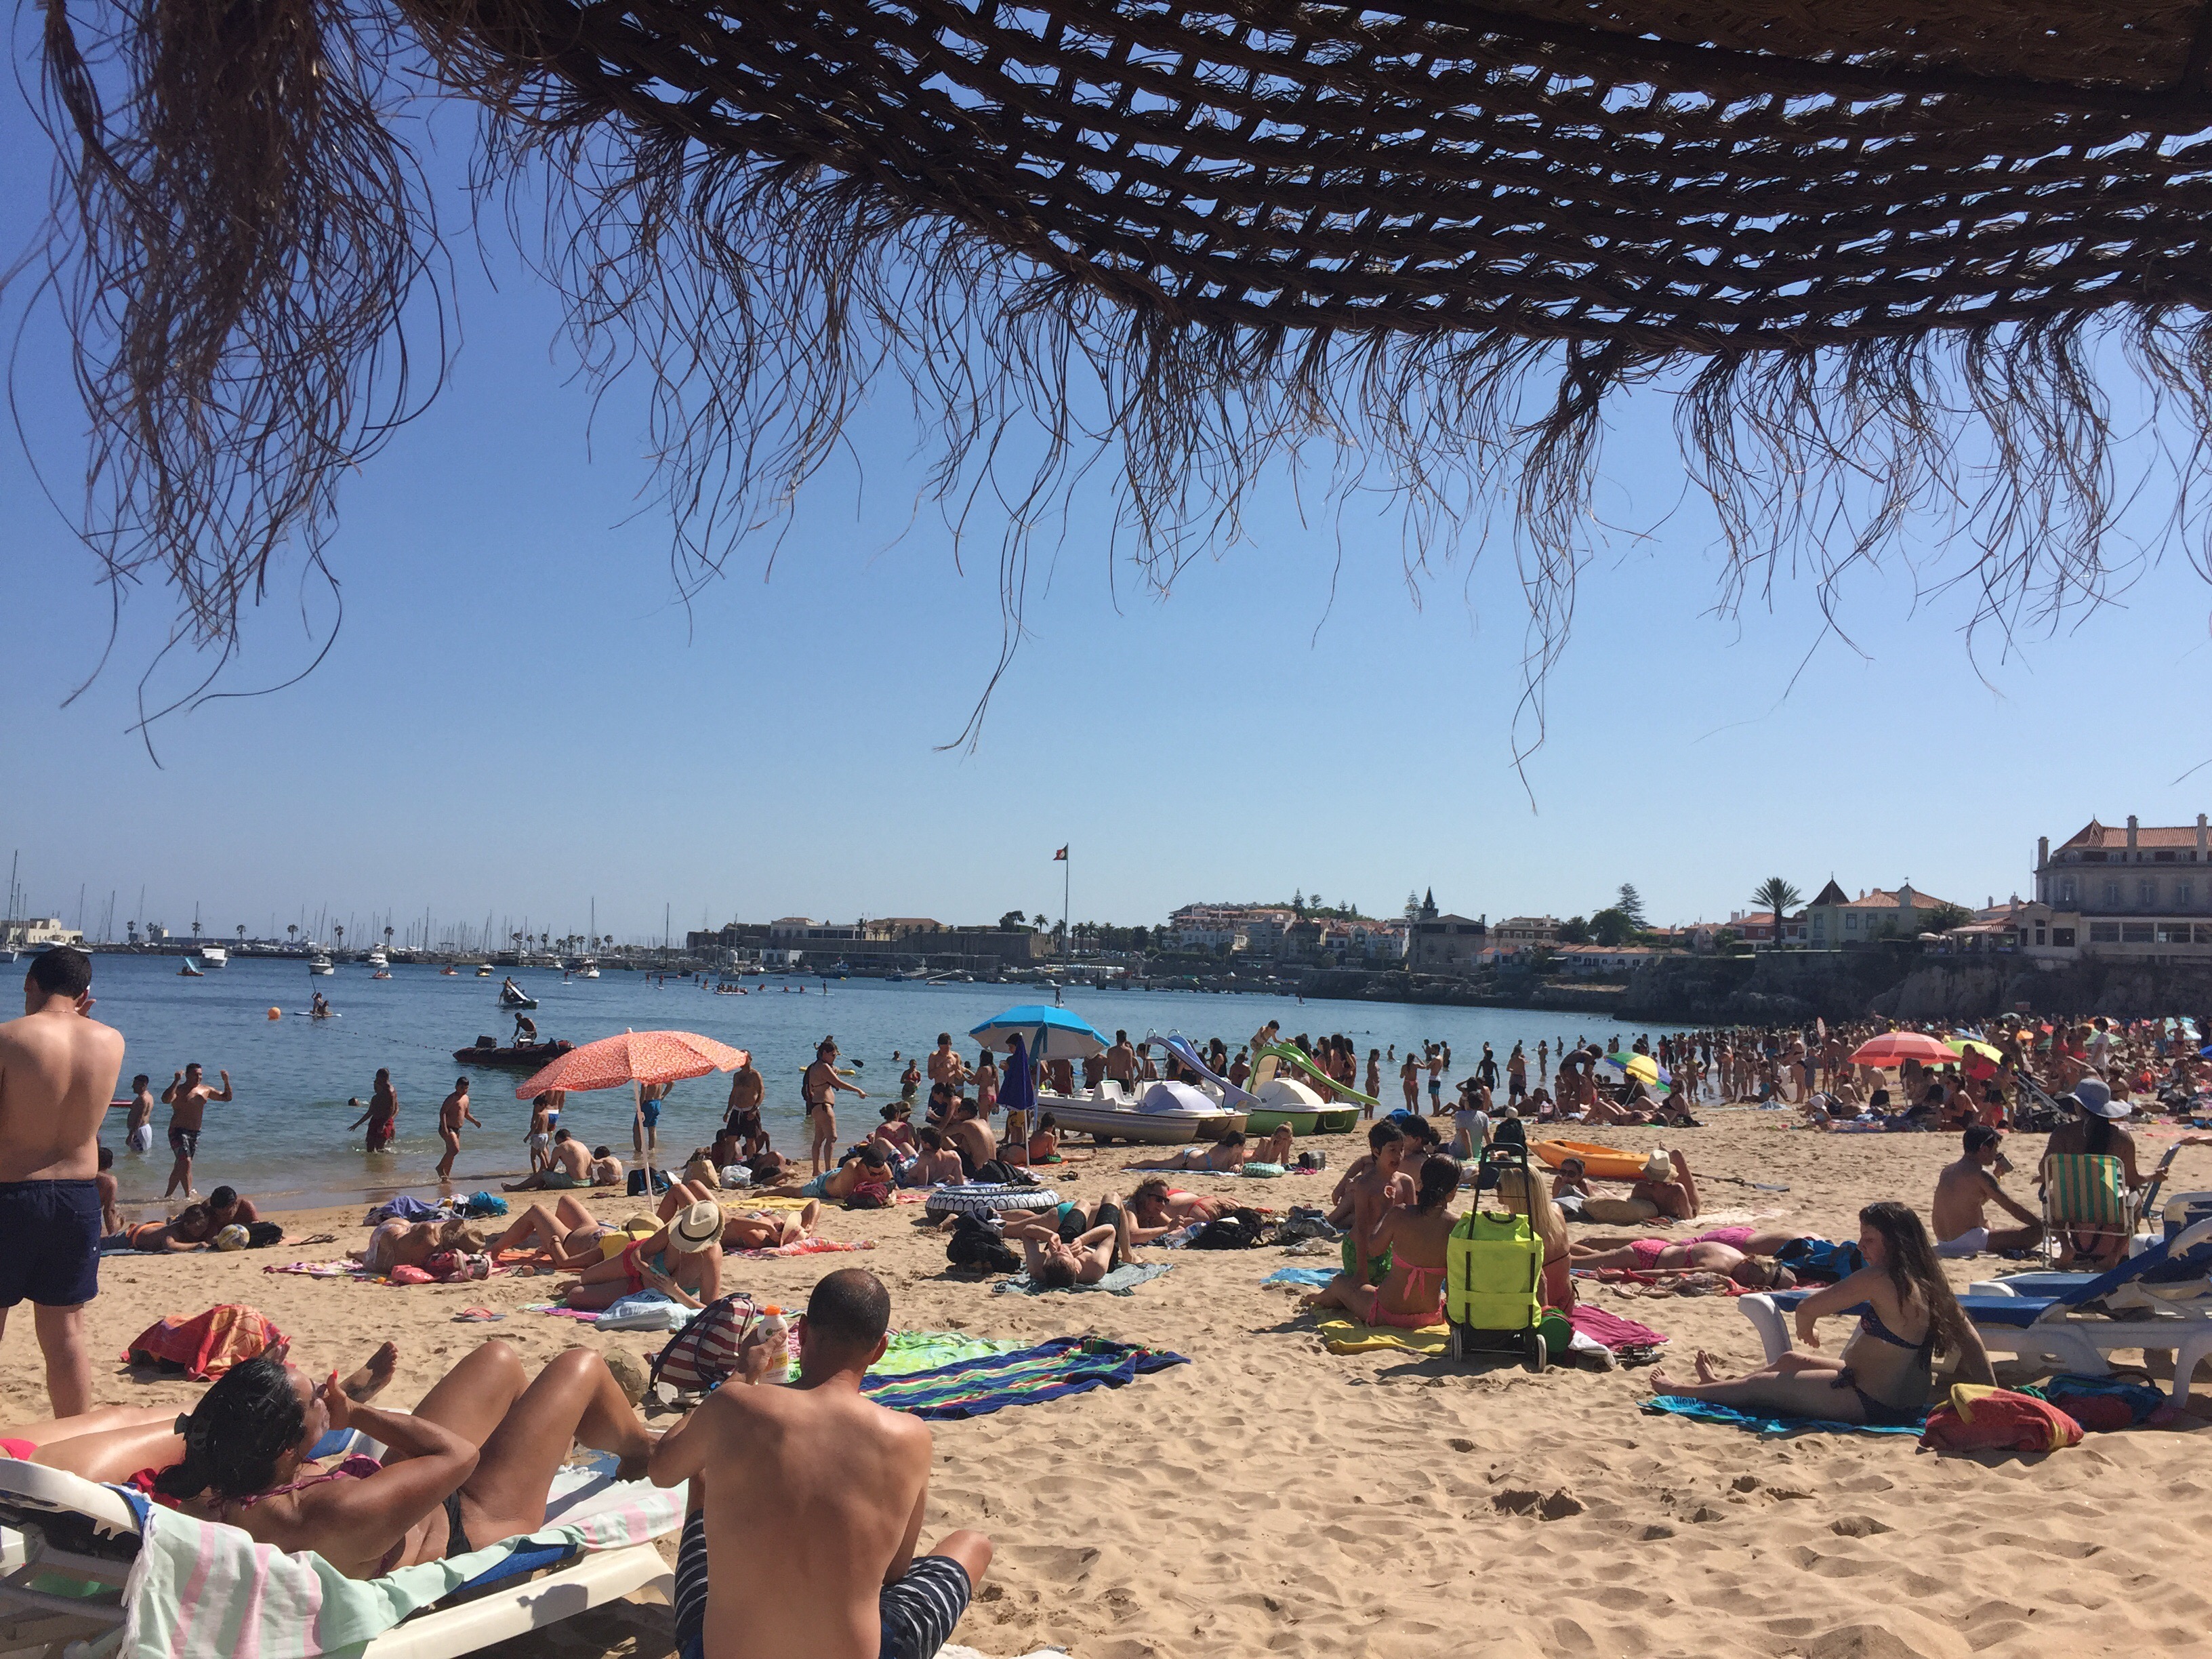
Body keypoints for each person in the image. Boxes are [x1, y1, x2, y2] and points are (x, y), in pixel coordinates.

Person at [649, 1269, 991, 1659]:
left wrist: (741, 1375)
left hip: (718, 1652)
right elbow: (895, 1572)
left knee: (701, 1475)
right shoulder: (910, 1436)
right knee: (973, 1544)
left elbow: (662, 1470)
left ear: (803, 1331)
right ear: (880, 1348)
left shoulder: (734, 1403)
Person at [149, 1338, 653, 1577]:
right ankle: (643, 1451)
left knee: (497, 1359)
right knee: (580, 1365)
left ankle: (544, 1444)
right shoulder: (330, 1509)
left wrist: (272, 1396)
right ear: (285, 1445)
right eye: (315, 1399)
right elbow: (460, 1457)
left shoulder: (216, 1484)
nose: (325, 1397)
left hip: (397, 1499)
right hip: (471, 1521)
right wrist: (355, 1415)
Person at [1650, 1202, 1991, 1425]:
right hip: (1902, 1398)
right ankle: (1719, 1386)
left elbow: (1807, 1307)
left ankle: (1682, 1390)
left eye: (1869, 1239)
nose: (1860, 1246)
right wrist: (1992, 1392)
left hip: (1869, 1401)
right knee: (1789, 1360)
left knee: (1762, 1386)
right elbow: (1971, 1340)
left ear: (1895, 1242)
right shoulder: (1931, 1283)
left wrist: (1807, 1325)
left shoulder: (1878, 1278)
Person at [0, 949, 123, 1416]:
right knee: (66, 1334)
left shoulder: (8, 1037)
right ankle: (76, 1437)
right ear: (85, 994)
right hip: (77, 1198)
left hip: (11, 1194)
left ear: (28, 982)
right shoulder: (110, 1041)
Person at [1306, 1155, 1460, 1327]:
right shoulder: (1457, 1226)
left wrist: (1386, 1211)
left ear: (1421, 1183)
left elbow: (1374, 1249)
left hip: (1386, 1313)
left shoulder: (1399, 1214)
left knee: (1339, 1283)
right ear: (1453, 1191)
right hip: (1430, 1315)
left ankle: (1315, 1299)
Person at [2039, 1079, 2142, 1268]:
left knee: (2050, 1195)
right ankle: (2114, 1255)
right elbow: (2132, 1180)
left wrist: (2045, 1179)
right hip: (2108, 1210)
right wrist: (2153, 1176)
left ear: (2079, 1105)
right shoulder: (2121, 1138)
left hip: (2067, 1208)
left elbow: (2045, 1170)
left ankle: (2066, 1247)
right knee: (2136, 1200)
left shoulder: (2063, 1134)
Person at [562, 1200, 725, 1310]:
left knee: (575, 1297)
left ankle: (596, 1283)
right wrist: (648, 1272)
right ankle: (590, 1281)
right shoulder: (680, 1226)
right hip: (637, 1263)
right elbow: (639, 1254)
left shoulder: (711, 1257)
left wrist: (675, 1292)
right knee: (586, 1277)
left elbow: (708, 1310)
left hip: (644, 1290)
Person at [1932, 1126, 2043, 1257]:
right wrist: (2040, 1225)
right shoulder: (1980, 1174)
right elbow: (2011, 1207)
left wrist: (1997, 1177)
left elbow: (1973, 1202)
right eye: (1995, 1149)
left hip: (1943, 1241)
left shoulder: (1948, 1170)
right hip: (1967, 1241)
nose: (1996, 1154)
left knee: (1986, 1222)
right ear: (1984, 1149)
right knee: (2037, 1234)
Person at [1002, 1197, 1137, 1288]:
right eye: (1065, 1254)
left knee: (1082, 1204)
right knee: (1112, 1197)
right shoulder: (1095, 1266)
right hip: (1097, 1246)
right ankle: (1128, 1255)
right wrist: (1083, 1240)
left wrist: (1050, 1236)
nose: (1062, 1249)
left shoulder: (1038, 1267)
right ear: (1076, 1269)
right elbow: (1110, 1230)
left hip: (1067, 1238)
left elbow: (1027, 1231)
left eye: (1055, 1254)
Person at [1492, 1164, 1574, 1309]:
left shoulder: (1516, 1229)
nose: (1495, 1187)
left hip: (1540, 1309)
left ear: (1515, 1191)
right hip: (1566, 1304)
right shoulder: (1555, 1211)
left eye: (1499, 1185)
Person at [161, 1061, 232, 1200]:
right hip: (178, 1131)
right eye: (195, 1075)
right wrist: (176, 1081)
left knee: (181, 1165)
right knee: (186, 1162)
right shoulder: (179, 1090)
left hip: (195, 1133)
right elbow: (165, 1100)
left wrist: (226, 1081)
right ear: (187, 1075)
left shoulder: (206, 1090)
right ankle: (189, 1195)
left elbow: (227, 1098)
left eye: (200, 1075)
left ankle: (168, 1196)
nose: (198, 1077)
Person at [805, 1040, 866, 1177]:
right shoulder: (823, 1067)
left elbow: (826, 1081)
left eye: (836, 1056)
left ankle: (816, 1170)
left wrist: (833, 1071)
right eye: (833, 1055)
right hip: (823, 1106)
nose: (834, 1058)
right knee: (832, 1137)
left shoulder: (816, 1066)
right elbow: (839, 1084)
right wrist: (858, 1090)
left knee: (819, 1140)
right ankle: (828, 1170)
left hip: (817, 1106)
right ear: (824, 1053)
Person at [504, 1128, 593, 1190]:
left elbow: (550, 1169)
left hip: (574, 1182)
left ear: (559, 1138)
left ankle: (515, 1188)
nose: (556, 1143)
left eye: (556, 1141)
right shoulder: (581, 1145)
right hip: (589, 1181)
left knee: (542, 1174)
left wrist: (540, 1180)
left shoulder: (561, 1147)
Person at [436, 1077, 480, 1182]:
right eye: (461, 1088)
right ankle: (440, 1168)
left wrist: (474, 1121)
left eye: (466, 1088)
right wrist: (445, 1128)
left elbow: (466, 1114)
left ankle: (445, 1178)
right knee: (455, 1150)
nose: (463, 1090)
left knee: (451, 1154)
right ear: (456, 1087)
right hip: (448, 1127)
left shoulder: (466, 1098)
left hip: (457, 1129)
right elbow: (443, 1112)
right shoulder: (452, 1098)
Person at [349, 1069, 398, 1152]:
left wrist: (383, 1124)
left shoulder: (389, 1092)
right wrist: (357, 1124)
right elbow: (370, 1112)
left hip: (383, 1121)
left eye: (377, 1079)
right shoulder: (376, 1097)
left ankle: (384, 1159)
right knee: (370, 1148)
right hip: (376, 1121)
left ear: (383, 1078)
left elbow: (392, 1109)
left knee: (379, 1147)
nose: (376, 1082)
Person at [635, 1080, 670, 1162]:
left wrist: (639, 1107)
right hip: (657, 1102)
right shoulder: (659, 1076)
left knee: (637, 1128)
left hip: (648, 1103)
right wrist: (663, 1095)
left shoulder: (647, 1077)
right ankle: (652, 1149)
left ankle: (638, 1151)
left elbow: (644, 1087)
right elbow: (671, 1083)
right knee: (652, 1128)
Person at [123, 1074, 156, 1153]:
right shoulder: (149, 1096)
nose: (133, 1086)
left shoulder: (142, 1099)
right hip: (143, 1128)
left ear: (143, 1085)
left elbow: (140, 1117)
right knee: (140, 1154)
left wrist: (132, 1134)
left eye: (135, 1084)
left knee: (138, 1154)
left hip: (139, 1131)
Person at [95, 1147, 120, 1237]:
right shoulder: (110, 1181)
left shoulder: (84, 1175)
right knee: (116, 1213)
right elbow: (109, 1210)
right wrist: (112, 1235)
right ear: (110, 1164)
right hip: (91, 1220)